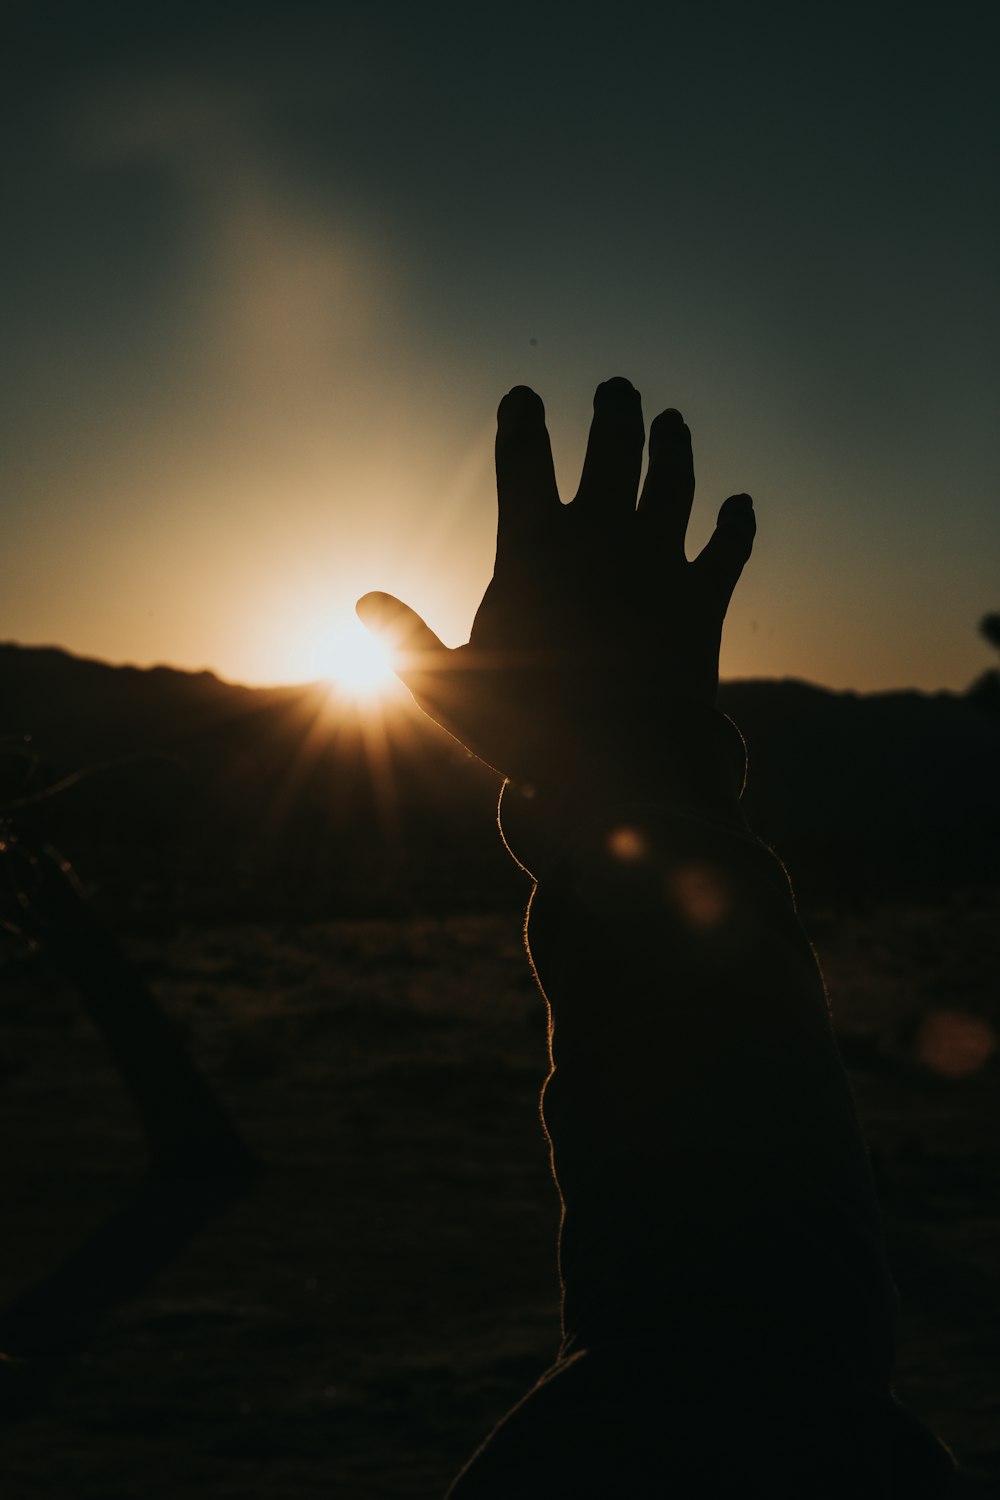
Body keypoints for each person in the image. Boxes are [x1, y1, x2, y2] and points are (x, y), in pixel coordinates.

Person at [358, 379, 955, 1497]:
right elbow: (759, 1361)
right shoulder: (795, 1437)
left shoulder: (644, 1444)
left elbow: (725, 1367)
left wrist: (623, 780)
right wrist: (637, 774)